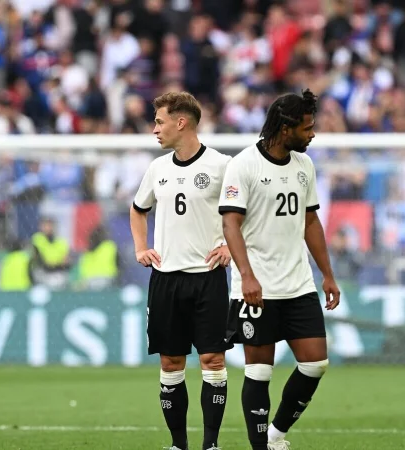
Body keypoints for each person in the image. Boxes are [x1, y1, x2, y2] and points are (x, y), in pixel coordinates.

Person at [219, 89, 341, 450]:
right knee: (259, 372)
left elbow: (310, 222)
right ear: (285, 128)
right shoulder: (243, 165)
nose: (312, 134)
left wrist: (327, 274)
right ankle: (262, 447)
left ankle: (276, 434)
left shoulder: (305, 166)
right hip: (257, 286)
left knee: (315, 364)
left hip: (299, 283)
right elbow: (230, 224)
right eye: (307, 128)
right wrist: (246, 276)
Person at [130, 91, 233, 450]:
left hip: (208, 278)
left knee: (212, 359)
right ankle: (178, 445)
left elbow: (245, 212)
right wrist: (140, 247)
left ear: (181, 122)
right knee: (171, 361)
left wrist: (230, 246)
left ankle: (211, 444)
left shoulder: (221, 166)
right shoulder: (157, 169)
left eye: (159, 122)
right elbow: (138, 209)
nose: (154, 129)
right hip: (166, 279)